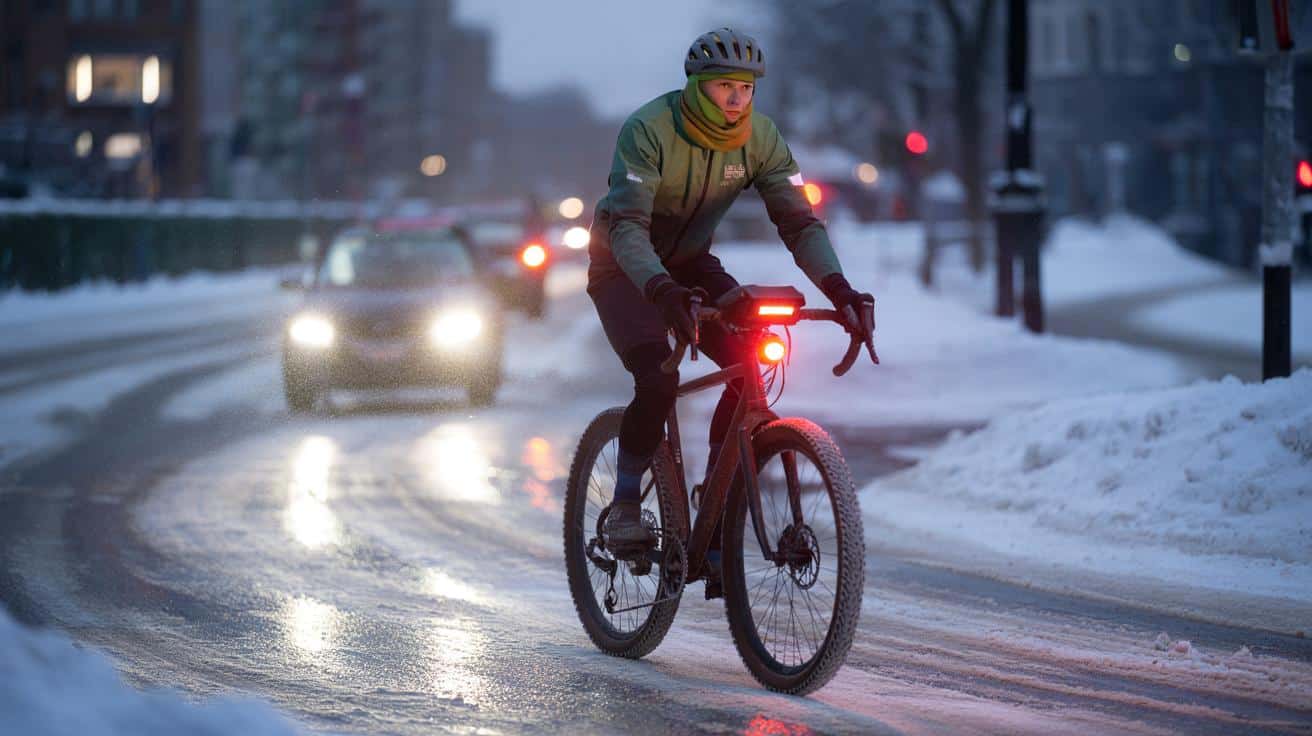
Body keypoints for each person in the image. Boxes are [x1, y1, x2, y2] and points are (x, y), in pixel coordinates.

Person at [587, 28, 874, 584]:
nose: (738, 98)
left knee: (749, 366)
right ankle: (625, 504)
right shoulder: (648, 130)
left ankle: (717, 501)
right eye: (725, 86)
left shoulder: (761, 139)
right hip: (625, 269)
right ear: (696, 86)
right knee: (656, 376)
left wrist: (840, 290)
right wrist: (662, 291)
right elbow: (626, 228)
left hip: (691, 263)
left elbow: (798, 221)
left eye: (746, 87)